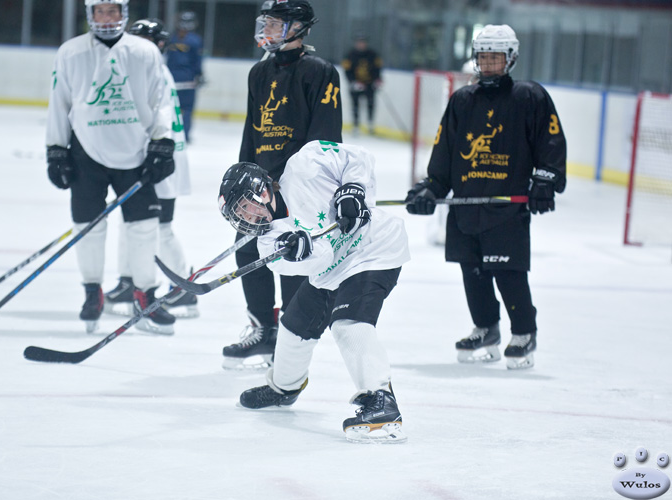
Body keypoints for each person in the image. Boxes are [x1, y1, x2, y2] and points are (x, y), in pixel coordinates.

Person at [219, 140, 410, 443]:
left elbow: (358, 158)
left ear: (263, 190)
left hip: (373, 250)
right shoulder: (270, 240)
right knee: (294, 326)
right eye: (240, 215)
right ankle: (285, 387)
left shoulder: (307, 162)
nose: (248, 218)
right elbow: (316, 259)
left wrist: (353, 190)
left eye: (246, 207)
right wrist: (299, 252)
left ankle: (382, 401)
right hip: (330, 270)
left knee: (349, 324)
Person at [405, 24, 567, 370]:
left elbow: (550, 142)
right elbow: (445, 151)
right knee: (472, 271)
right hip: (467, 203)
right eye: (483, 58)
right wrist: (431, 187)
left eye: (495, 58)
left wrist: (545, 180)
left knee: (509, 272)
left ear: (510, 59)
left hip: (506, 206)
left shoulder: (529, 96)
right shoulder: (463, 100)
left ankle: (523, 333)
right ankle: (486, 328)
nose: (489, 64)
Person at [222, 0, 343, 370]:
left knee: (293, 258)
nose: (267, 31)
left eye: (275, 25)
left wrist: (306, 182)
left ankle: (291, 341)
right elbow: (252, 131)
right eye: (267, 24)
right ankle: (263, 330)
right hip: (263, 186)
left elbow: (326, 135)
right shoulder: (259, 73)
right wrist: (244, 176)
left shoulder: (320, 71)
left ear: (298, 28)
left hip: (300, 186)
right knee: (248, 251)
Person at [45, 0, 177, 334]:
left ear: (124, 13)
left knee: (144, 227)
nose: (107, 17)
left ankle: (146, 295)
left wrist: (163, 141)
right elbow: (59, 102)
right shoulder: (71, 52)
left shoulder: (144, 52)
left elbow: (160, 99)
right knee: (87, 227)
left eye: (113, 10)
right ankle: (93, 292)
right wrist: (56, 149)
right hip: (86, 152)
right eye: (100, 11)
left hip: (136, 152)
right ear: (90, 14)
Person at [103, 17, 198, 322]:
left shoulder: (153, 72)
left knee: (159, 227)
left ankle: (184, 286)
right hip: (154, 161)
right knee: (135, 223)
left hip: (161, 164)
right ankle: (129, 280)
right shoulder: (150, 70)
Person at [166, 11, 204, 142]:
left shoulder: (172, 38)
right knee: (186, 109)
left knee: (170, 108)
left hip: (171, 79)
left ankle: (169, 134)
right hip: (188, 80)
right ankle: (185, 136)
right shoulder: (195, 40)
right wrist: (199, 75)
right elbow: (197, 61)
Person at [341, 34, 383, 135]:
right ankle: (356, 125)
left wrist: (377, 79)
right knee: (355, 105)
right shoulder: (350, 55)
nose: (361, 45)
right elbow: (347, 70)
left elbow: (377, 68)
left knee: (371, 104)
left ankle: (370, 125)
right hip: (356, 85)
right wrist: (353, 82)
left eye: (363, 43)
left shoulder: (372, 54)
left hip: (369, 84)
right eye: (359, 42)